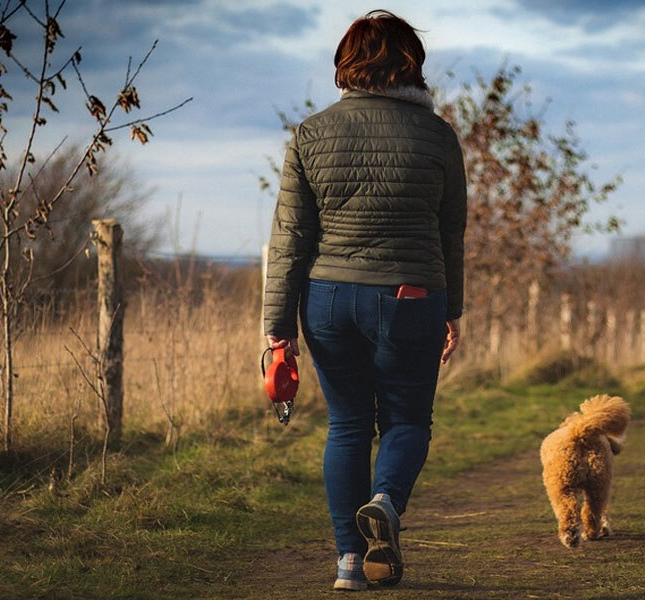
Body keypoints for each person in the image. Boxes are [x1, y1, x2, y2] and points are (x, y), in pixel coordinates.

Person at [262, 9, 466, 592]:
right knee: (407, 420)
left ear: (346, 65)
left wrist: (278, 325)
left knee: (347, 425)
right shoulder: (438, 136)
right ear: (412, 65)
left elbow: (290, 237)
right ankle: (385, 502)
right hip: (411, 296)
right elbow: (451, 232)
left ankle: (349, 562)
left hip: (327, 299)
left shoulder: (311, 133)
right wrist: (453, 309)